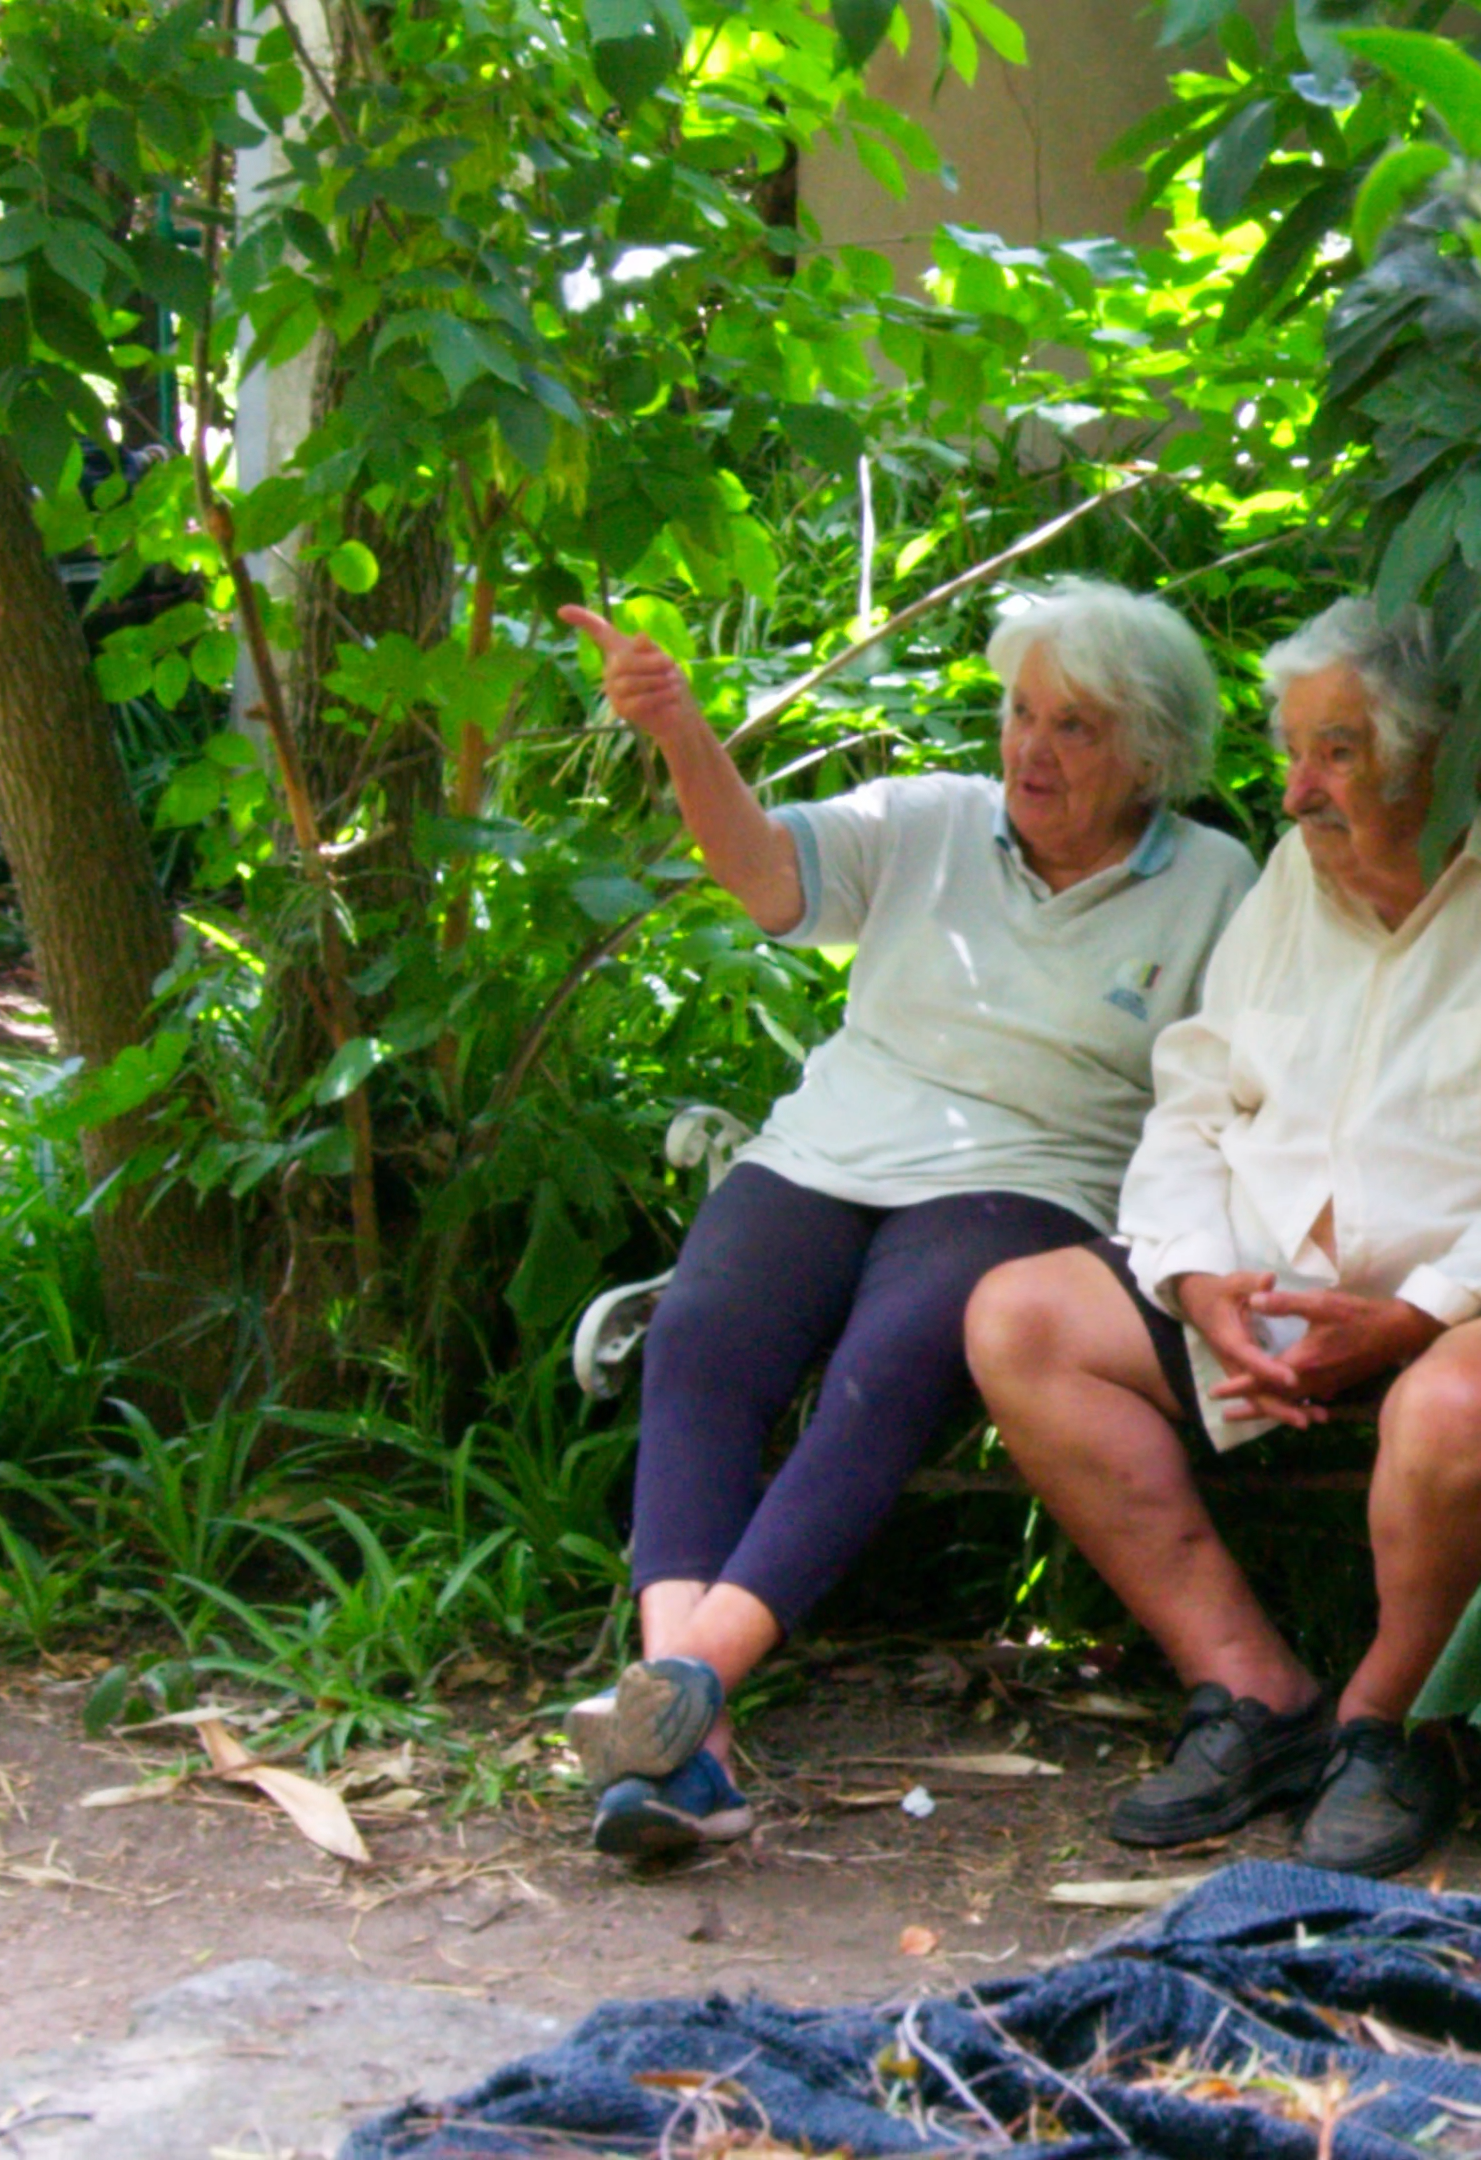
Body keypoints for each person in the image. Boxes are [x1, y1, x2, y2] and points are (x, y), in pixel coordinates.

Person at [962, 597, 1481, 1878]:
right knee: (1018, 1322)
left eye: (1337, 753)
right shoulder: (1296, 880)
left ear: (1441, 754)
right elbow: (1194, 1101)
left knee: (1449, 1413)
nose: (1295, 792)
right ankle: (1253, 1692)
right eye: (1292, 750)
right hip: (1278, 1285)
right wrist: (1197, 1287)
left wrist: (1420, 1315)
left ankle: (1393, 1724)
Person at [552, 579, 1259, 1860]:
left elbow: (1240, 1088)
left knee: (893, 1363)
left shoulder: (1217, 883)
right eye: (1020, 712)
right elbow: (766, 876)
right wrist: (679, 733)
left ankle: (682, 1690)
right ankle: (686, 1732)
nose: (1030, 751)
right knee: (700, 1336)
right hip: (832, 1148)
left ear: (1152, 750)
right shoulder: (927, 820)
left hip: (1028, 1176)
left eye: (1076, 728)